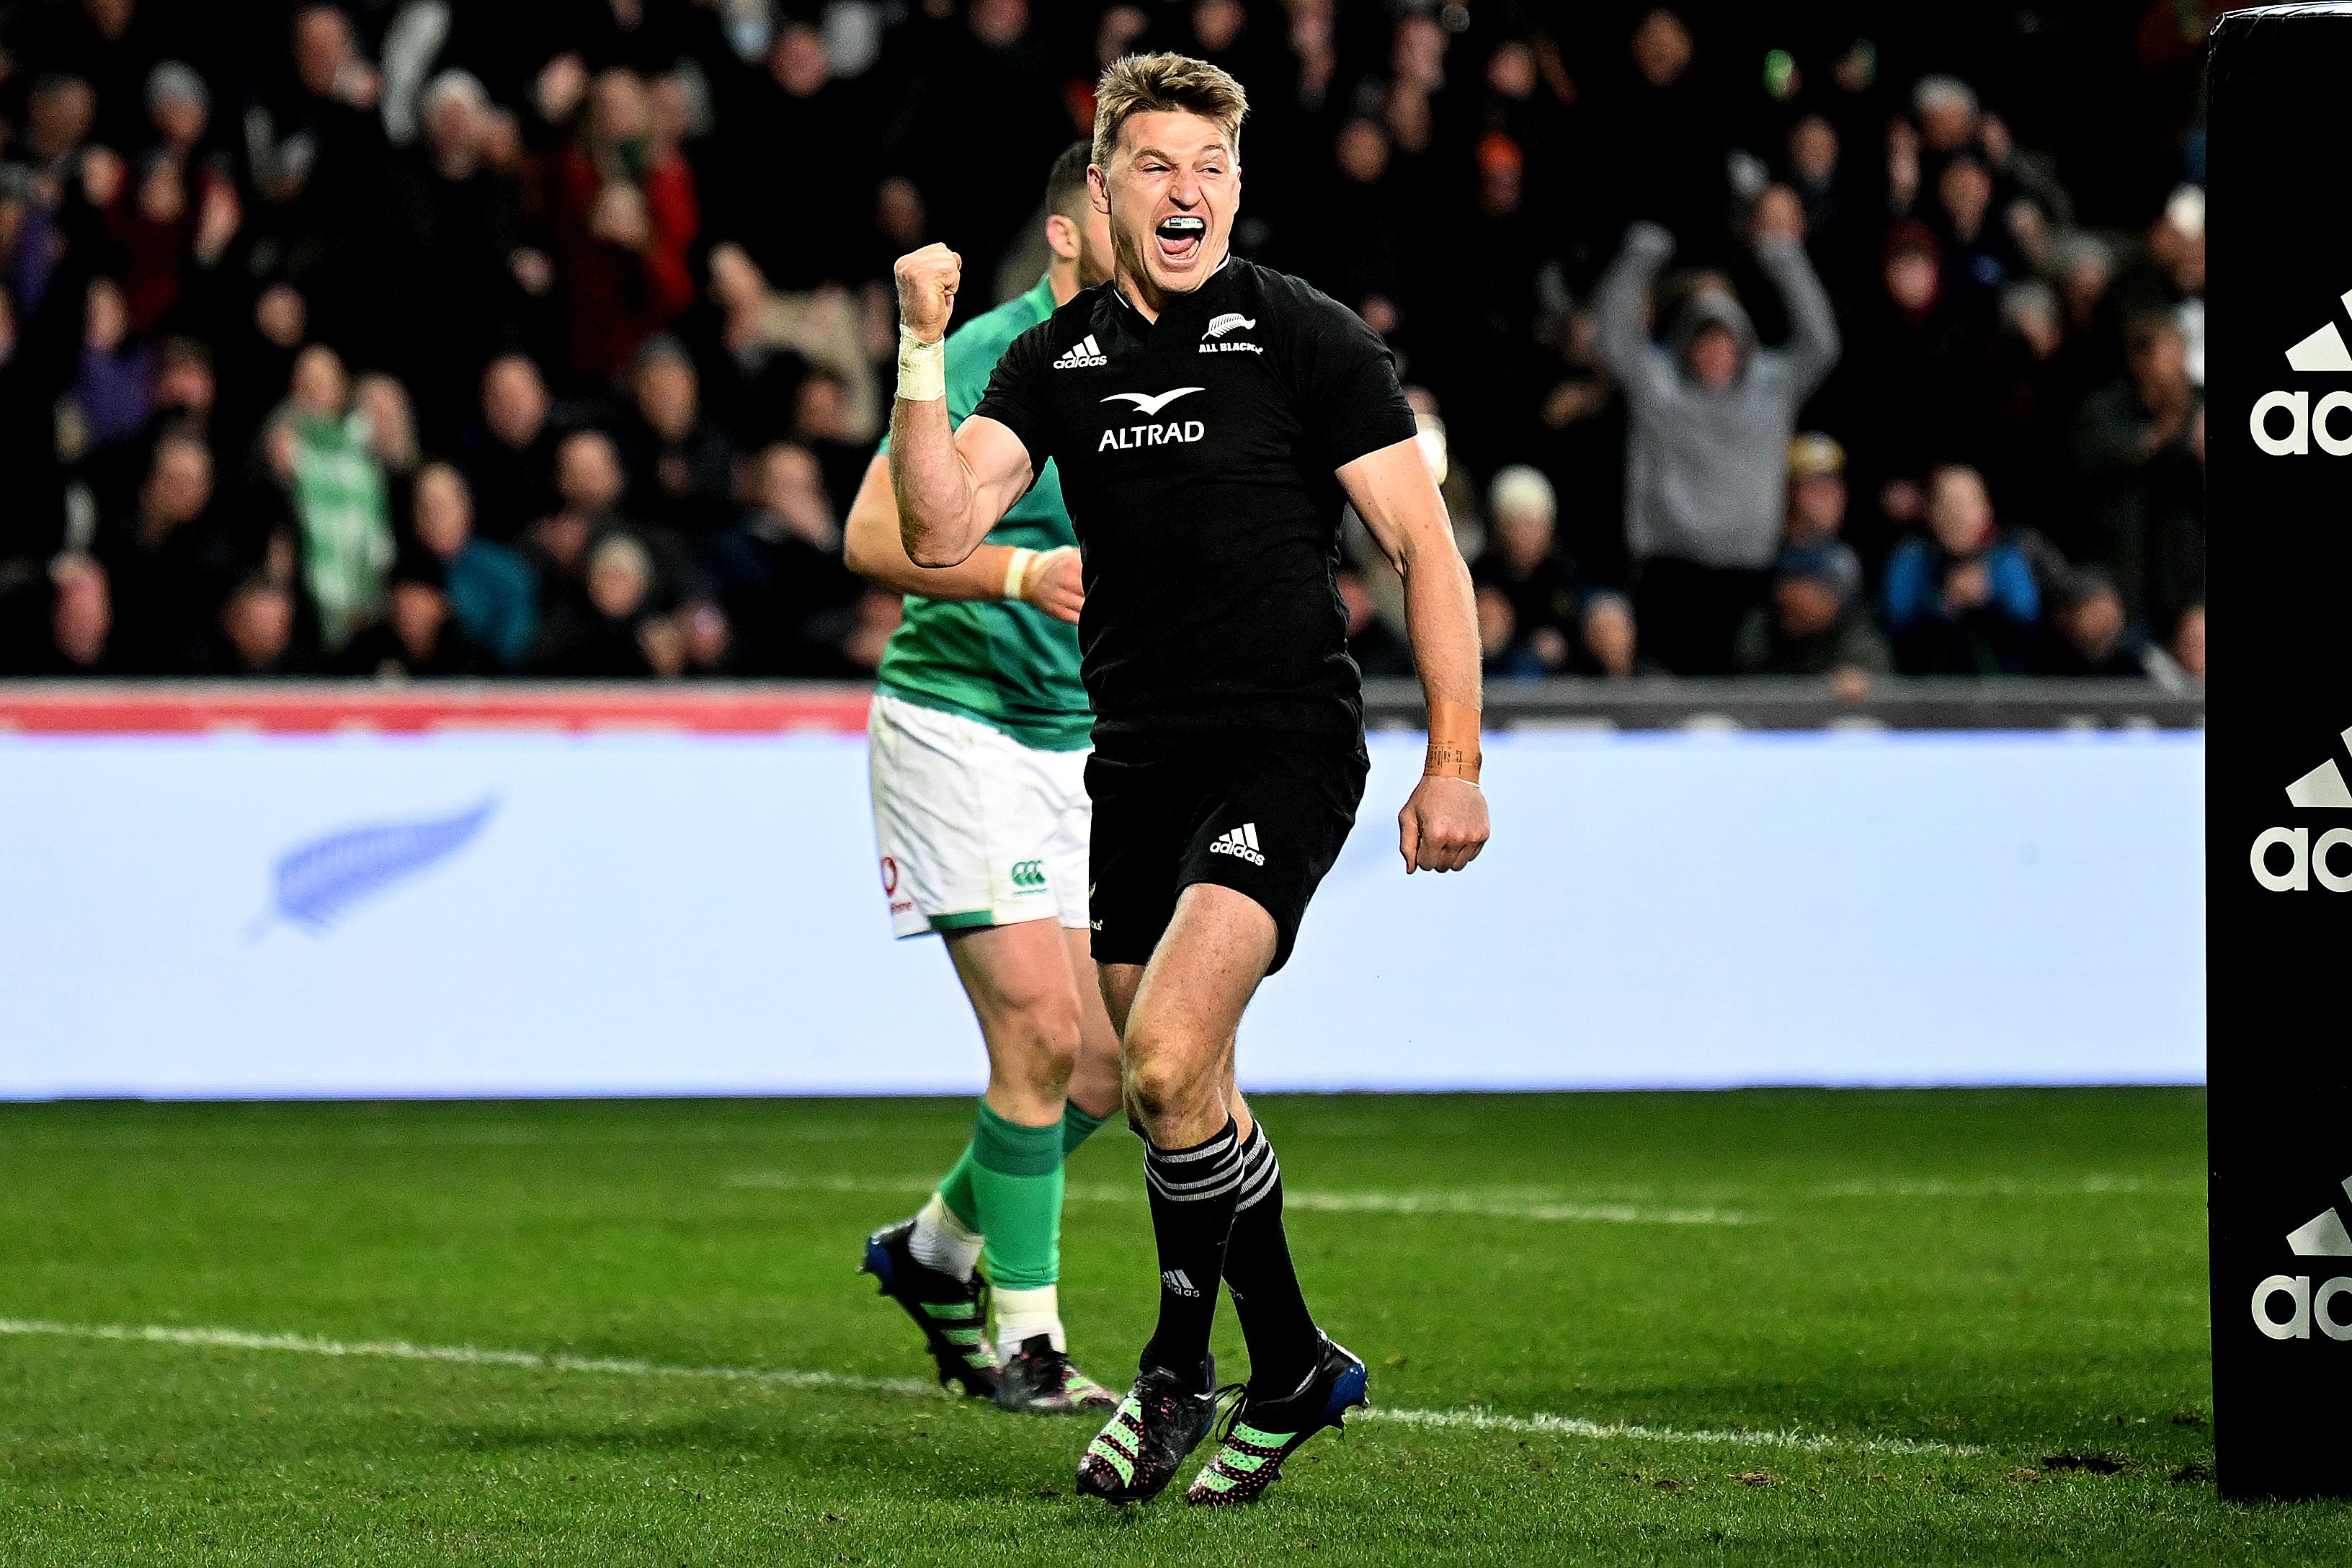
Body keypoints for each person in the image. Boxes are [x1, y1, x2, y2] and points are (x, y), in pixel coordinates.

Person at [888, 55, 1488, 1507]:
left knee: (1155, 1057)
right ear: (1103, 191)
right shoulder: (1053, 360)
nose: (1189, 192)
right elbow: (931, 522)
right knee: (1187, 1091)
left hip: (1281, 744)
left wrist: (1453, 759)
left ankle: (1174, 1370)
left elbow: (1426, 547)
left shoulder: (1309, 339)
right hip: (1135, 764)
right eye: (1157, 165)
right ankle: (1291, 1363)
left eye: (1211, 167)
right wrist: (919, 348)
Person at [841, 143, 1125, 1417]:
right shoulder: (980, 357)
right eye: (1131, 204)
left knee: (1109, 1069)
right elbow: (866, 535)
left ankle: (934, 1252)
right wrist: (1018, 574)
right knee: (1041, 1033)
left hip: (1078, 738)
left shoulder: (1162, 369)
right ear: (1068, 235)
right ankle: (1031, 1341)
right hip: (955, 724)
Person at [1594, 197, 1839, 675]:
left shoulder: (1771, 388)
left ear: (1743, 344)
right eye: (1704, 342)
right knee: (1665, 703)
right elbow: (1614, 336)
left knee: (1741, 702)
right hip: (1669, 572)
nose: (1716, 354)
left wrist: (1783, 256)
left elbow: (1821, 344)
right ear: (1686, 345)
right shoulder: (1660, 389)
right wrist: (1641, 255)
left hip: (1748, 574)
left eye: (1726, 343)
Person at [1883, 463, 2039, 674]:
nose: (1958, 514)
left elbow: (2028, 621)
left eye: (1968, 503)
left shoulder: (2006, 558)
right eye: (1948, 504)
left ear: (1986, 510)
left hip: (2002, 693)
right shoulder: (1913, 558)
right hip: (1927, 693)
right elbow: (1895, 624)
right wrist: (1944, 604)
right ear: (1931, 513)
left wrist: (1987, 599)